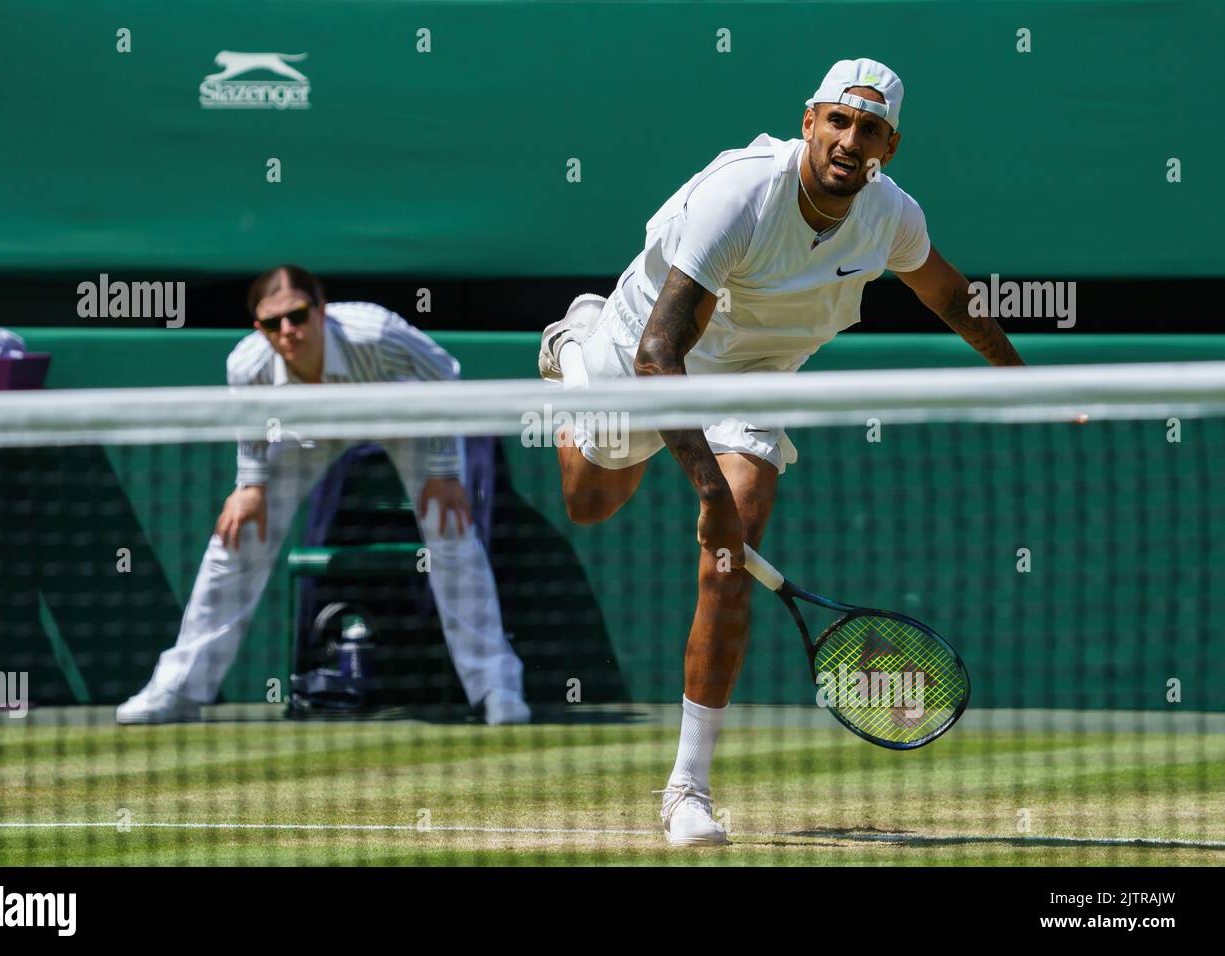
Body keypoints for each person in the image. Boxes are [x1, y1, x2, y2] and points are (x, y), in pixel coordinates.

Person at [538, 59, 1024, 845]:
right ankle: (571, 348)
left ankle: (686, 789)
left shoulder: (892, 217)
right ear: (809, 122)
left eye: (868, 130)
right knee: (590, 504)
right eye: (837, 120)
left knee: (735, 551)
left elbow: (953, 299)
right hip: (642, 344)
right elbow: (661, 355)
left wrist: (1020, 383)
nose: (848, 140)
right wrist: (707, 496)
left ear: (888, 147)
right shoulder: (741, 195)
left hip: (753, 375)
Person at [118, 264, 529, 725]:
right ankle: (178, 689)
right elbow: (253, 428)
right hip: (308, 427)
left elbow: (444, 373)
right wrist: (249, 487)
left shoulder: (375, 333)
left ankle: (498, 687)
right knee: (235, 541)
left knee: (451, 535)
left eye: (297, 316)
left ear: (321, 310)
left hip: (400, 416)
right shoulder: (247, 364)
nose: (288, 331)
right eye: (273, 323)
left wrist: (444, 470)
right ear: (260, 328)